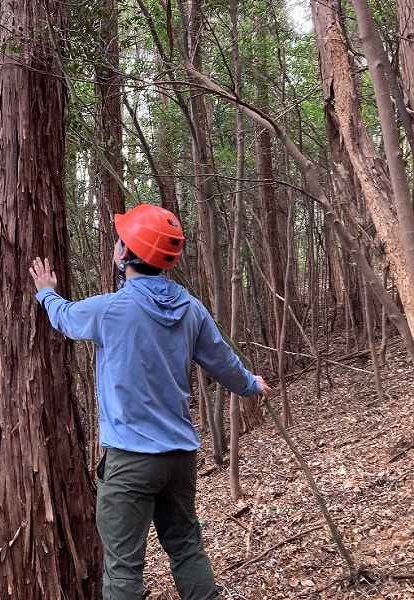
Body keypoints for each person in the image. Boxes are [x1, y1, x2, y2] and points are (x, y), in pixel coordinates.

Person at [29, 203, 270, 600]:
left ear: (125, 253)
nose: (115, 245)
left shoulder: (112, 310)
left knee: (124, 570)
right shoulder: (191, 309)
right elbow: (224, 363)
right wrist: (250, 384)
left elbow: (66, 319)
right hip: (180, 458)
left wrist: (46, 293)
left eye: (119, 239)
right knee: (187, 549)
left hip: (130, 461)